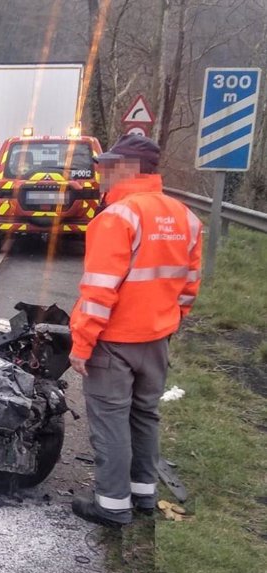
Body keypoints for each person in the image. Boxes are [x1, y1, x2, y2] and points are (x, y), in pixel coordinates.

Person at [68, 134, 202, 528]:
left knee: (110, 419)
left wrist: (82, 343)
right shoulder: (185, 216)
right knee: (145, 415)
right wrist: (168, 323)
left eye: (109, 165)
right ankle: (143, 493)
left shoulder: (116, 218)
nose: (102, 173)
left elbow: (98, 291)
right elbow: (189, 284)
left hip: (114, 341)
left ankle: (111, 504)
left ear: (130, 169)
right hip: (156, 338)